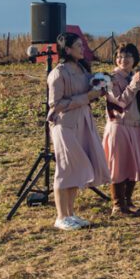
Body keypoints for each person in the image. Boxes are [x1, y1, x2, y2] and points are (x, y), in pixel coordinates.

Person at [47, 32, 111, 230]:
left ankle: (71, 214)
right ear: (67, 50)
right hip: (64, 125)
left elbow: (89, 92)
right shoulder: (59, 73)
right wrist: (86, 97)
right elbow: (55, 104)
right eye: (78, 45)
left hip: (82, 122)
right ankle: (60, 216)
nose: (82, 48)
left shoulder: (82, 69)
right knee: (65, 168)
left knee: (75, 169)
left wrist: (100, 88)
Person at [103, 43, 140, 216]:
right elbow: (119, 103)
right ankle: (118, 205)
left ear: (135, 60)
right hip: (119, 126)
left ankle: (128, 201)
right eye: (119, 56)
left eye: (127, 57)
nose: (123, 60)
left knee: (132, 164)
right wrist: (133, 85)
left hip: (136, 126)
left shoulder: (134, 77)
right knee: (118, 166)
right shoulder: (111, 79)